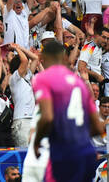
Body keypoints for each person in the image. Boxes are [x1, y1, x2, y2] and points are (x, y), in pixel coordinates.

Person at [32, 39, 101, 182]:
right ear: (64, 58)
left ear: (42, 58)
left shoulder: (42, 78)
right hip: (87, 152)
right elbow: (97, 126)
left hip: (64, 153)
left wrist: (37, 142)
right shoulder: (78, 82)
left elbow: (47, 117)